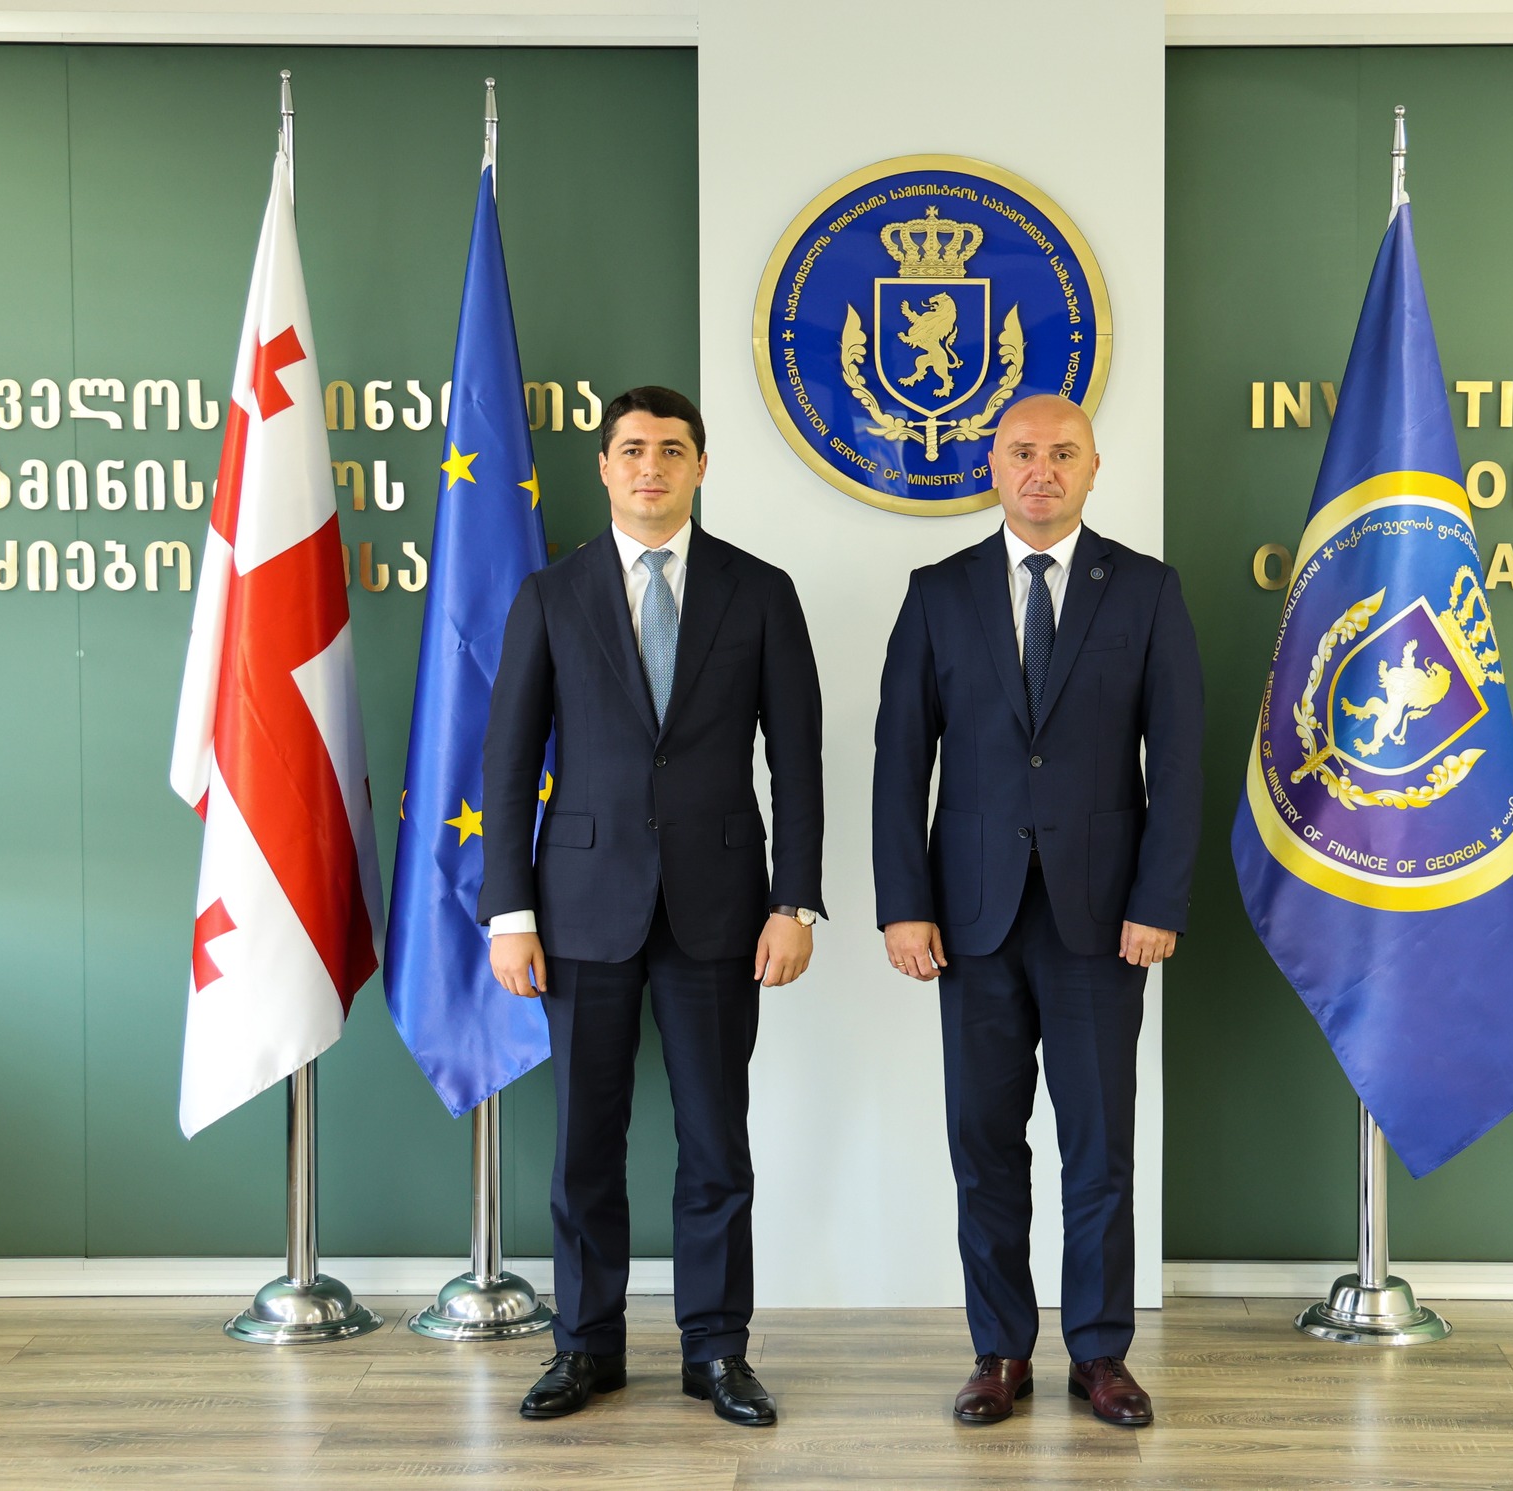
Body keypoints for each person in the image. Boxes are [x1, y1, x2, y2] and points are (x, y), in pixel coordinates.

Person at [480, 385, 824, 1427]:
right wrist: (508, 912)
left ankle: (716, 1351)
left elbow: (797, 760)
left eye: (672, 450)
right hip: (578, 907)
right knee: (585, 1144)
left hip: (722, 910)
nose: (651, 466)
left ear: (700, 467)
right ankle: (585, 1346)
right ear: (604, 465)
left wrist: (795, 901)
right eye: (632, 449)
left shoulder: (760, 591)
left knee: (716, 1144)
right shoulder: (551, 593)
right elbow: (507, 763)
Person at [871, 394, 1204, 1427]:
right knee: (984, 1144)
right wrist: (902, 906)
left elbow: (1179, 760)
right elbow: (899, 763)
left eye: (1063, 453)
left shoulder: (1145, 590)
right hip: (969, 921)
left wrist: (1158, 897)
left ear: (1093, 467)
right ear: (993, 465)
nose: (1041, 470)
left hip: (1103, 922)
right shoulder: (937, 593)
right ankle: (999, 1351)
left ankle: (1099, 1352)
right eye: (1022, 452)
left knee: (1098, 1147)